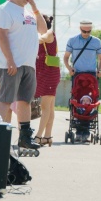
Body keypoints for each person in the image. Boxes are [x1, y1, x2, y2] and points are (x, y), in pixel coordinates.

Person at [0, 0, 47, 150]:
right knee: (6, 100)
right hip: (11, 64)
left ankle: (24, 137)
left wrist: (35, 8)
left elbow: (43, 30)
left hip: (28, 64)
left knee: (25, 101)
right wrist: (10, 60)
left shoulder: (29, 13)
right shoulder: (4, 10)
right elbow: (1, 36)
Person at [63, 20, 101, 140]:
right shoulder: (72, 40)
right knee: (77, 100)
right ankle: (78, 129)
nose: (86, 33)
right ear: (79, 29)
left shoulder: (96, 42)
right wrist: (69, 68)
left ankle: (86, 130)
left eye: (88, 31)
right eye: (83, 31)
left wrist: (100, 70)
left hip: (92, 75)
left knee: (89, 102)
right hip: (77, 74)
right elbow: (66, 57)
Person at [34, 15, 60, 147]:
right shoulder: (45, 34)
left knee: (45, 107)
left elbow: (39, 39)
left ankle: (38, 136)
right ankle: (47, 136)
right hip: (46, 73)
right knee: (49, 107)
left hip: (49, 74)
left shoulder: (49, 33)